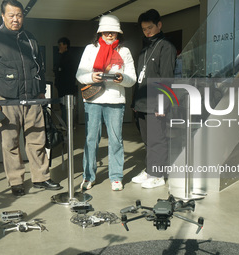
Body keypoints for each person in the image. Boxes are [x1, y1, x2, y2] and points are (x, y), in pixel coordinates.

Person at [0, 0, 62, 196]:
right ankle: (16, 182)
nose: (16, 19)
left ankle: (41, 178)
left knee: (37, 140)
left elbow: (39, 66)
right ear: (2, 16)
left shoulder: (30, 38)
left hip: (32, 99)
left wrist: (41, 90)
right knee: (10, 143)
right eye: (11, 15)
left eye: (19, 15)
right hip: (7, 101)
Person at [76, 14, 136, 191]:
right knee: (90, 139)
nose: (110, 35)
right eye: (107, 32)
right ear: (100, 32)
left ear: (119, 34)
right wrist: (91, 77)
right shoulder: (90, 49)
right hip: (94, 99)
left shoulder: (124, 51)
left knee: (116, 140)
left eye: (114, 32)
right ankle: (88, 176)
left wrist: (121, 78)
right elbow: (79, 75)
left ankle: (116, 177)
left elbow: (131, 79)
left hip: (115, 101)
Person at [131, 9, 177, 189]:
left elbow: (166, 78)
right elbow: (140, 78)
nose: (147, 31)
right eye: (144, 29)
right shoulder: (145, 49)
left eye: (150, 27)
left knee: (157, 140)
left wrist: (162, 104)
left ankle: (158, 175)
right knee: (147, 140)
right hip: (142, 103)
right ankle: (150, 169)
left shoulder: (166, 47)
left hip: (156, 103)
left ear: (159, 25)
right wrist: (135, 102)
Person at [54, 37, 77, 122]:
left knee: (67, 106)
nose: (59, 47)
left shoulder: (69, 57)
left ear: (65, 45)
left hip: (67, 86)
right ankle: (64, 123)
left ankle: (68, 124)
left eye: (61, 45)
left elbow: (65, 70)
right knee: (62, 105)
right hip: (61, 86)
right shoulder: (60, 56)